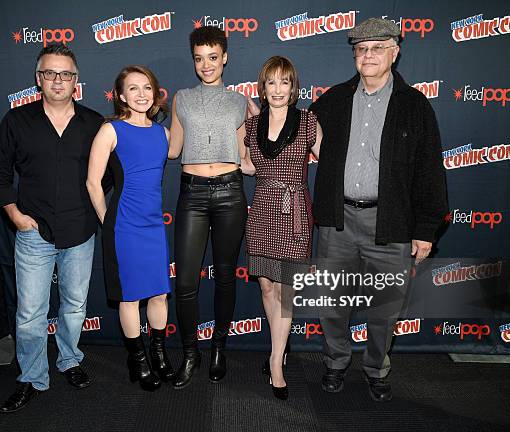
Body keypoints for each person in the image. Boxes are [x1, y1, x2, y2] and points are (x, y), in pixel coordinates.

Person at [309, 18, 448, 402]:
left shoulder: (416, 106)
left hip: (390, 224)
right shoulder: (334, 100)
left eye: (377, 48)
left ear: (394, 52)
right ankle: (336, 363)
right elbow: (295, 135)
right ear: (354, 54)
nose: (368, 55)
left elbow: (429, 172)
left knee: (385, 309)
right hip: (338, 222)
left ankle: (376, 368)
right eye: (361, 49)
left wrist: (425, 230)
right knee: (333, 304)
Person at [0, 43, 104, 413]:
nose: (58, 80)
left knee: (74, 306)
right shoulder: (17, 121)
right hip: (33, 233)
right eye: (50, 73)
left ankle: (69, 360)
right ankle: (32, 376)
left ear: (76, 80)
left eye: (65, 74)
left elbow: (106, 176)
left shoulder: (93, 123)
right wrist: (13, 213)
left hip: (80, 231)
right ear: (39, 79)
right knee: (30, 313)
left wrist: (95, 211)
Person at [167, 26, 249, 389]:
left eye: (213, 58)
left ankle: (218, 347)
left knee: (227, 276)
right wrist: (128, 131)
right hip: (193, 193)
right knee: (185, 282)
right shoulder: (182, 98)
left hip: (231, 192)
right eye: (200, 59)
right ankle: (190, 353)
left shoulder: (240, 102)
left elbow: (248, 153)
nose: (206, 65)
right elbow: (173, 149)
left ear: (225, 57)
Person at [86, 65, 173, 391]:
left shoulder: (163, 135)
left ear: (155, 93)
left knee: (160, 294)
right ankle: (137, 360)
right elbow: (93, 182)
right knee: (130, 297)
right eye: (133, 88)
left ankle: (159, 352)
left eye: (147, 87)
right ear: (121, 96)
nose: (141, 94)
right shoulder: (111, 131)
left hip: (153, 226)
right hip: (124, 225)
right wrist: (107, 220)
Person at [240, 56, 322, 400]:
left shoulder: (307, 122)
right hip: (261, 210)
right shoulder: (250, 125)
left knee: (286, 290)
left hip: (295, 215)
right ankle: (279, 348)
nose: (277, 89)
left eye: (284, 82)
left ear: (293, 87)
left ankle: (276, 361)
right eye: (270, 82)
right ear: (263, 87)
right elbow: (244, 165)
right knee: (266, 288)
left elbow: (329, 160)